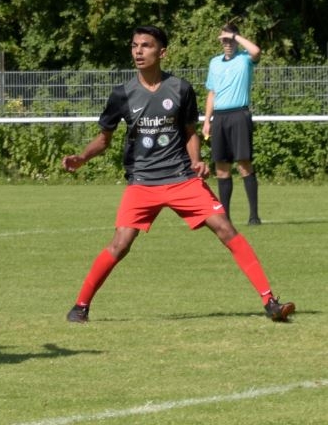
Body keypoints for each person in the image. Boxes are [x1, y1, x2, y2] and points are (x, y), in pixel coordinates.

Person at [61, 25, 294, 323]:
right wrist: (82, 157)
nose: (138, 51)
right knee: (119, 244)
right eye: (135, 45)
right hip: (143, 182)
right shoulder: (122, 94)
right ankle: (80, 306)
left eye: (146, 45)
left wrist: (197, 162)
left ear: (162, 52)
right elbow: (104, 139)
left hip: (181, 177)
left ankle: (270, 302)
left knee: (225, 228)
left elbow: (189, 133)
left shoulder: (181, 89)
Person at [202, 24, 263, 225]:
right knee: (221, 166)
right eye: (224, 40)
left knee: (244, 163)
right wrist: (207, 120)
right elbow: (212, 93)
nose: (227, 44)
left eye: (230, 40)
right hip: (219, 118)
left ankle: (253, 216)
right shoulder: (214, 63)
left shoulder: (245, 59)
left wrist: (236, 36)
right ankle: (225, 217)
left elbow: (256, 51)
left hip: (239, 115)